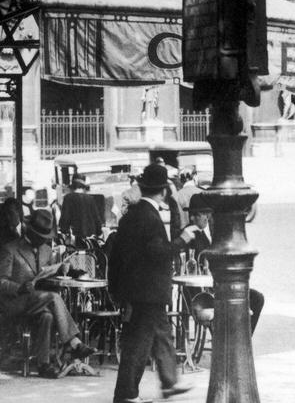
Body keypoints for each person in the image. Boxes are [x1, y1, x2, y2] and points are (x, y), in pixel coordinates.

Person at [106, 163, 197, 403]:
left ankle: (169, 382)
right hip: (149, 289)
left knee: (159, 334)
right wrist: (182, 240)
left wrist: (116, 288)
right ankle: (127, 394)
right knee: (139, 343)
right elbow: (158, 252)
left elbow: (116, 255)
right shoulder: (151, 217)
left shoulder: (131, 216)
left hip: (136, 289)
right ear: (164, 192)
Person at [0, 208, 96, 377]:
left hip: (39, 301)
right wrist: (19, 287)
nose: (42, 241)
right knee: (53, 297)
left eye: (45, 238)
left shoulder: (46, 250)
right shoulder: (10, 249)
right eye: (39, 237)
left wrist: (62, 269)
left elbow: (46, 275)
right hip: (15, 302)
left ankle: (43, 365)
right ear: (29, 232)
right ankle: (73, 341)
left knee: (47, 316)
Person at [180, 195, 264, 334]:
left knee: (256, 298)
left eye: (197, 214)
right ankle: (235, 340)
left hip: (216, 286)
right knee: (250, 299)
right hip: (203, 293)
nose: (192, 218)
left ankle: (244, 339)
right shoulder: (189, 234)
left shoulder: (207, 233)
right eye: (191, 214)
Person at [58, 176, 104, 245]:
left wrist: (63, 231)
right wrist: (99, 233)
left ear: (72, 187)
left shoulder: (68, 198)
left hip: (75, 239)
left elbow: (65, 219)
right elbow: (96, 219)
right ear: (83, 187)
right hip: (90, 239)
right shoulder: (90, 199)